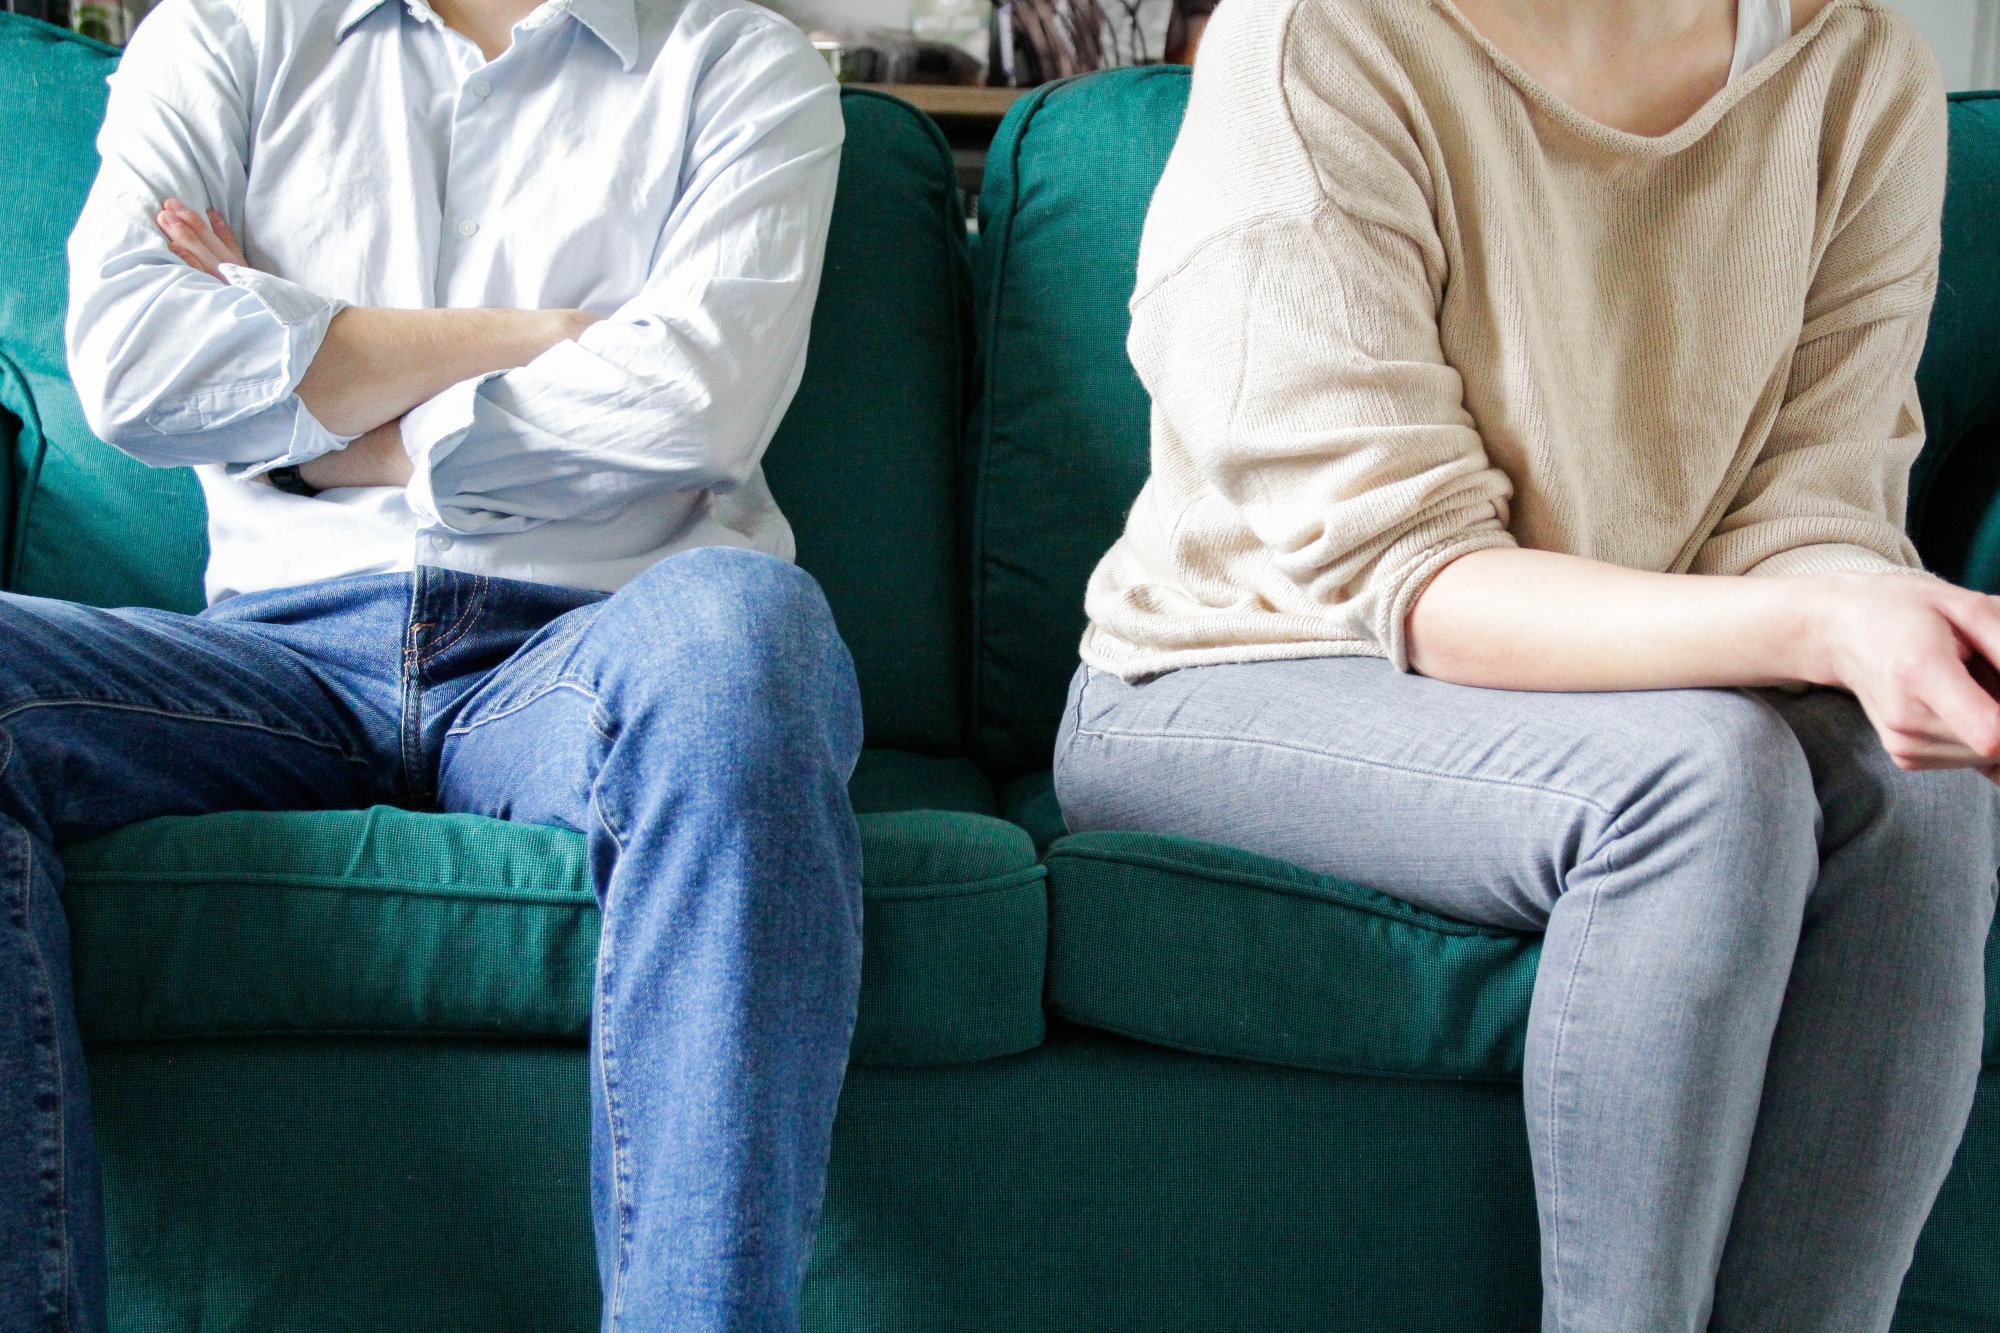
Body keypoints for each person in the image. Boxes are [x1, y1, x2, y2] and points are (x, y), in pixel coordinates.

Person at [1054, 0, 2000, 1327]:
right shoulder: (1319, 41)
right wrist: (1821, 628)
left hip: (1619, 684)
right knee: (1702, 784)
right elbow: (1416, 571)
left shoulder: (1854, 71)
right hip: (1231, 668)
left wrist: (1905, 621)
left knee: (1928, 788)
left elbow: (1809, 508)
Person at [11, 0, 860, 1327]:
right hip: (272, 663)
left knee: (751, 636)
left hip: (590, 648)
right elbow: (133, 365)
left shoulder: (741, 62)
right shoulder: (224, 32)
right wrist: (536, 336)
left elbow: (696, 399)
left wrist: (326, 402)